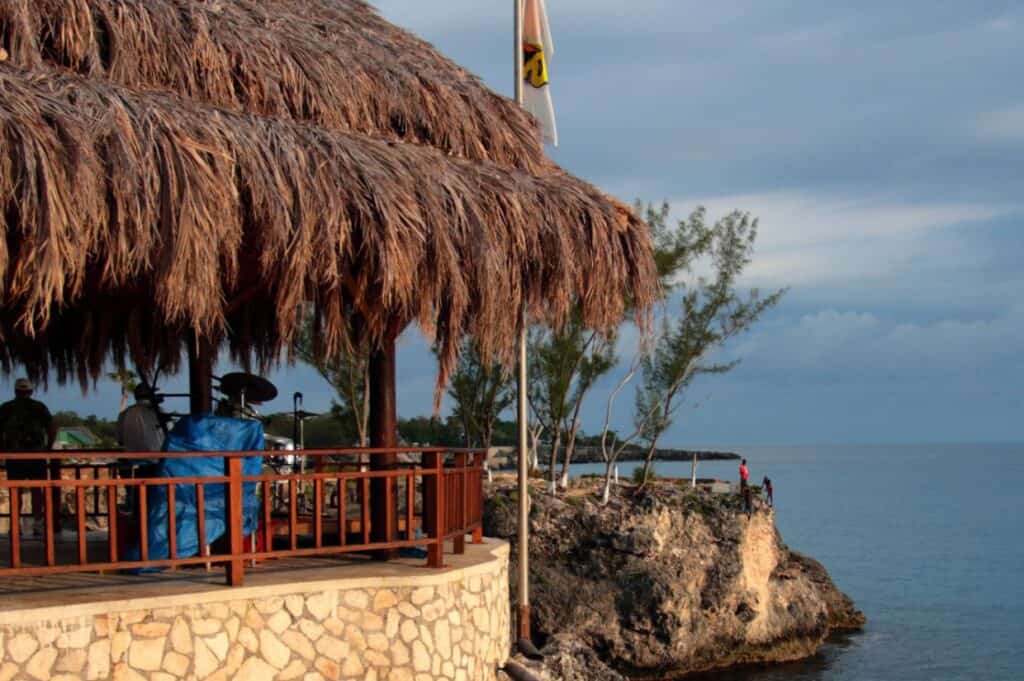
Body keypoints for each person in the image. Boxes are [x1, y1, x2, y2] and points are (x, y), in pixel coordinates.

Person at [0, 378, 56, 536]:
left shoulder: (6, 408)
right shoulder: (39, 407)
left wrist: (3, 449)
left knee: (15, 491)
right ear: (30, 392)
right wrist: (48, 448)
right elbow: (51, 427)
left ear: (15, 391)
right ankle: (38, 524)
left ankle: (15, 525)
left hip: (15, 456)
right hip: (36, 456)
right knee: (37, 490)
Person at [117, 383, 165, 452]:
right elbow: (169, 435)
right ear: (149, 395)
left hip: (131, 458)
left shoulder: (124, 413)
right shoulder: (158, 411)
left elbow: (120, 440)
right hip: (157, 458)